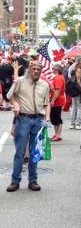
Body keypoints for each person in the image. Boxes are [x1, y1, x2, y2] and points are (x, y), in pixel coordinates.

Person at [6, 61, 51, 192]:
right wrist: (16, 104)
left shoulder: (44, 85)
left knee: (34, 152)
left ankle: (33, 180)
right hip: (23, 119)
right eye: (34, 69)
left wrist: (47, 118)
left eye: (39, 69)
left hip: (38, 120)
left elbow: (46, 103)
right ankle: (15, 180)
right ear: (29, 69)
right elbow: (10, 95)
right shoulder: (20, 81)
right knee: (20, 152)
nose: (36, 71)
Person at [50, 64, 66, 141]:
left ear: (56, 70)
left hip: (58, 100)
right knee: (54, 117)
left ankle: (58, 134)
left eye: (53, 68)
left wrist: (53, 100)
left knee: (57, 117)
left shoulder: (58, 78)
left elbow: (57, 90)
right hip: (57, 99)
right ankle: (56, 133)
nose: (52, 69)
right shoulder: (57, 77)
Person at [67, 66, 81, 130]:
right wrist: (79, 82)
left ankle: (72, 123)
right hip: (78, 94)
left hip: (73, 94)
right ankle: (78, 124)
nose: (80, 73)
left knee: (74, 107)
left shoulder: (71, 78)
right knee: (79, 107)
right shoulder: (78, 79)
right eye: (79, 72)